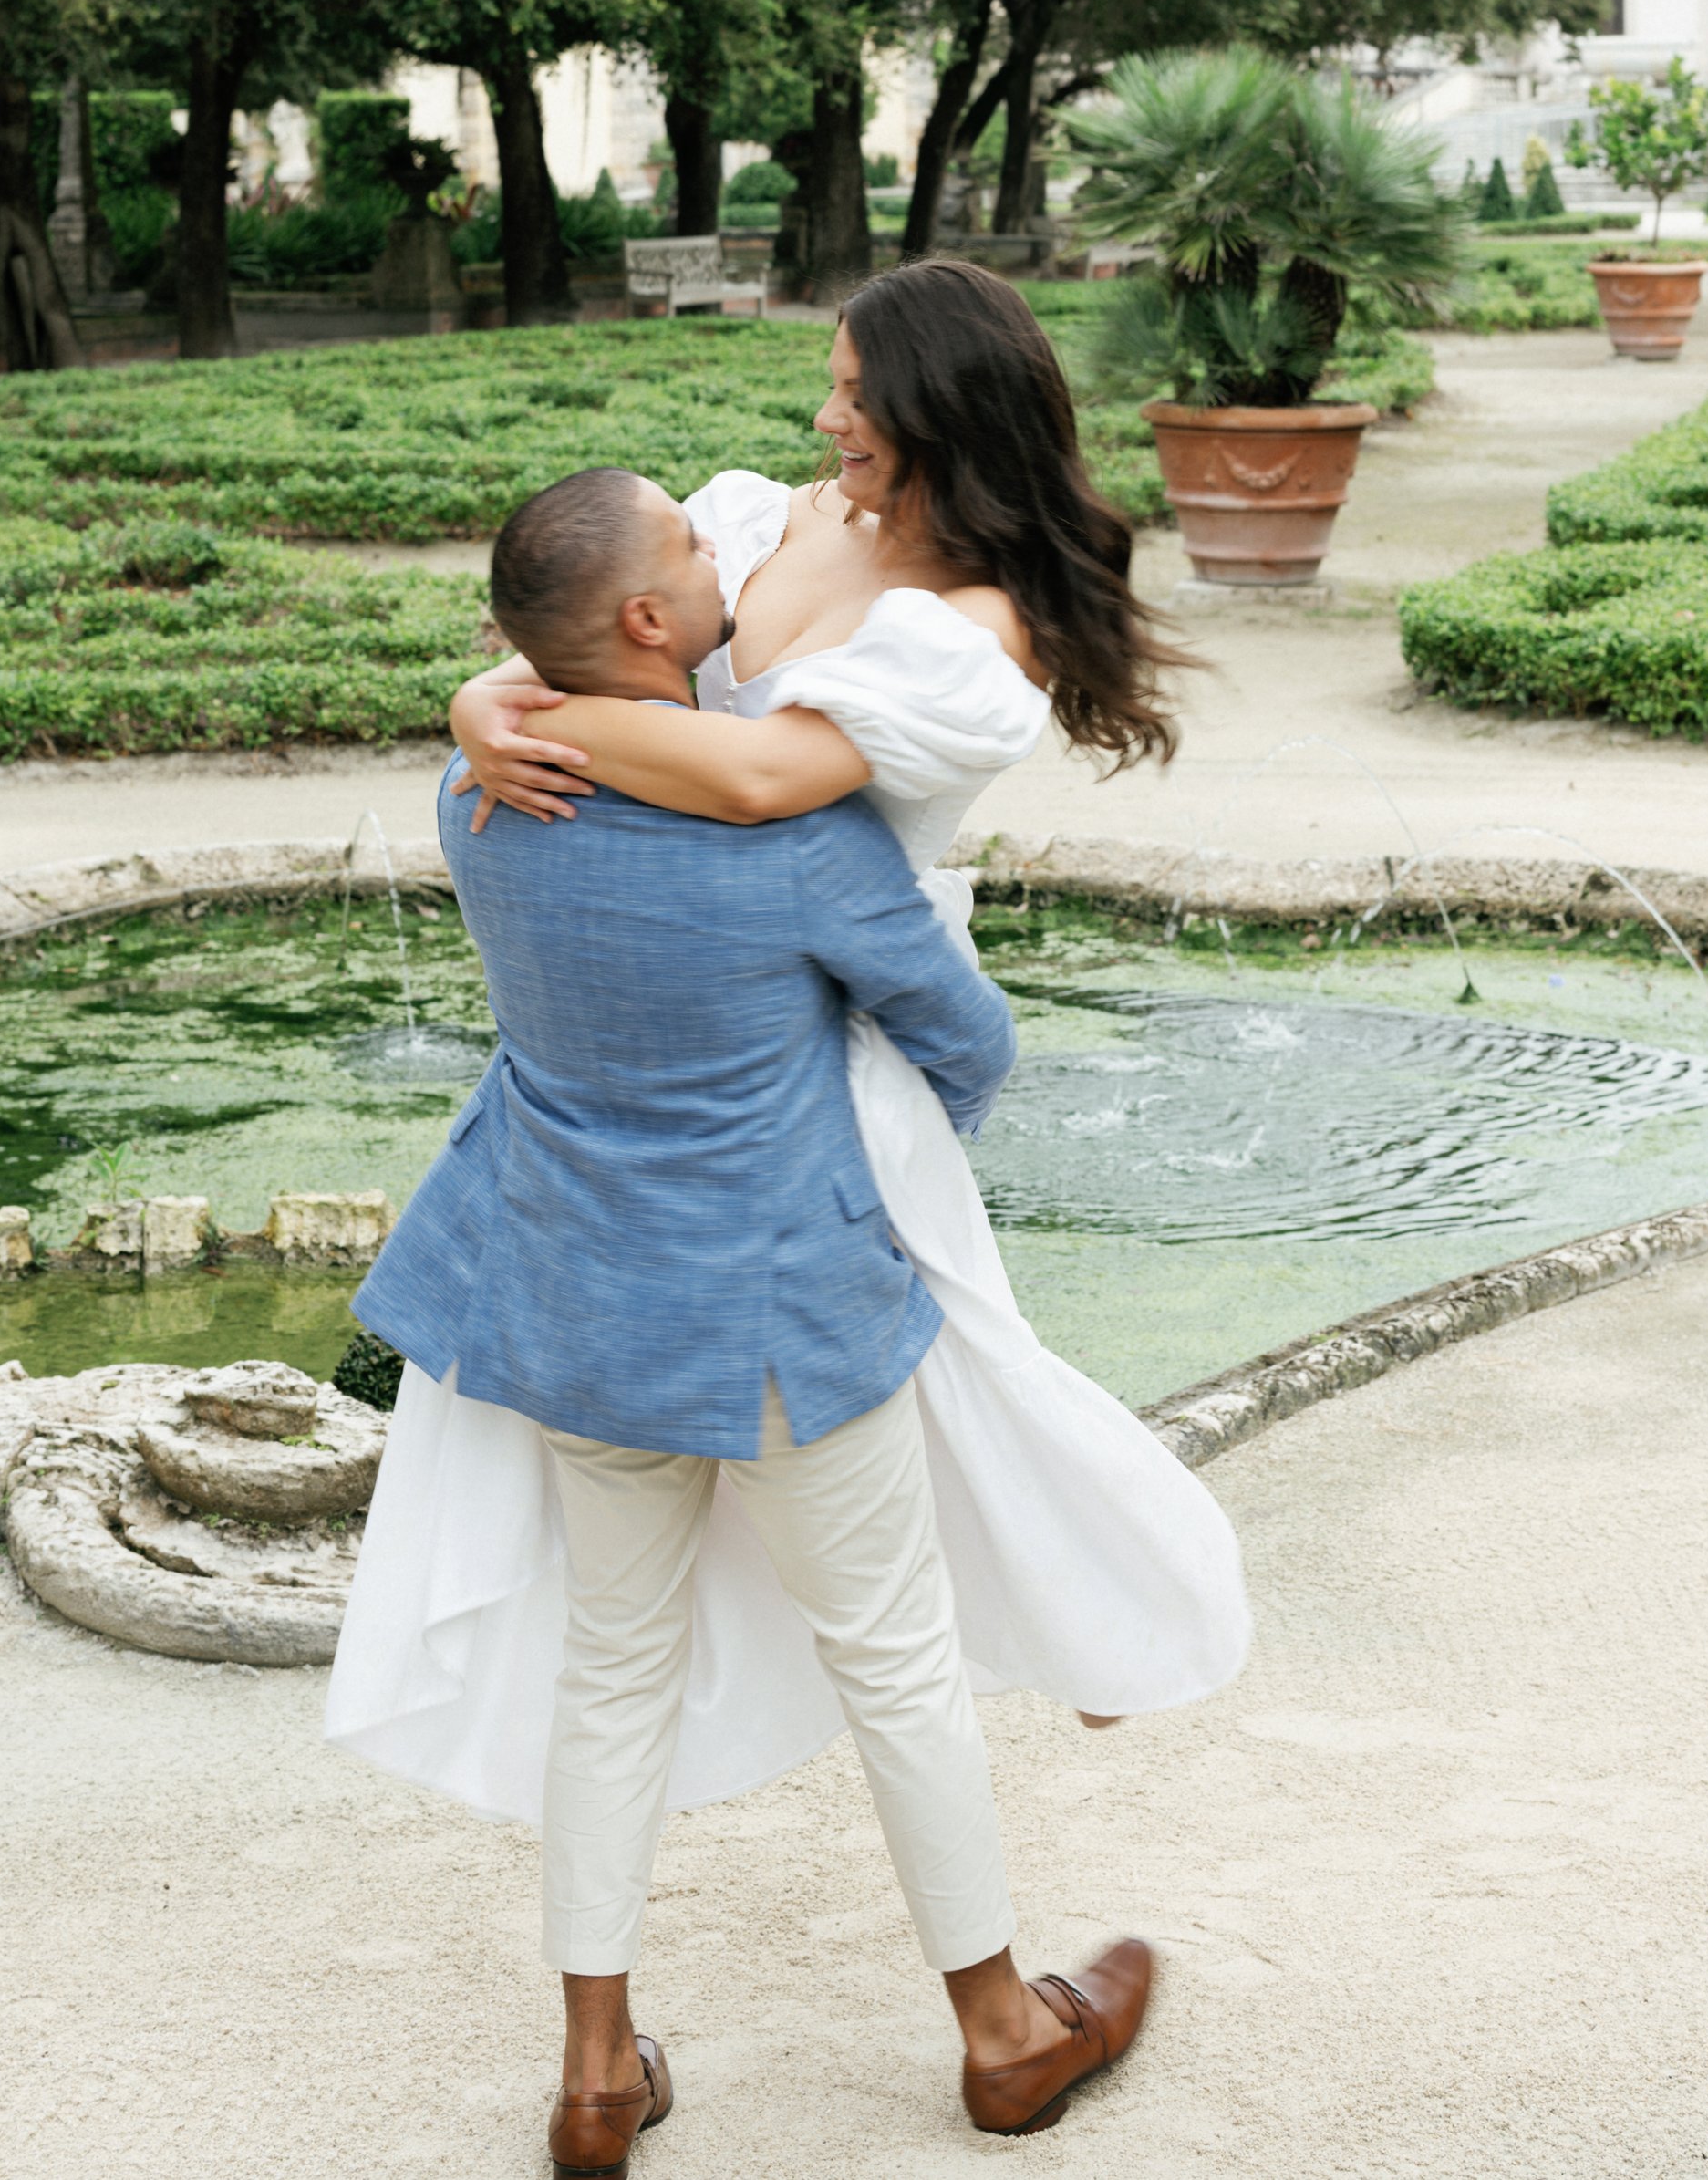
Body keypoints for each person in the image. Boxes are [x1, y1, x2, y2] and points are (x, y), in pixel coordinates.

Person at [346, 463, 1154, 2164]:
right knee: (898, 1665)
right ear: (650, 621)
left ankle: (591, 2069)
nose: (731, 560)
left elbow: (516, 709)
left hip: (572, 1306)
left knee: (612, 1670)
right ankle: (1005, 2033)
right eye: (692, 554)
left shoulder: (472, 789)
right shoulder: (800, 839)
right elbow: (971, 1038)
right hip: (784, 1307)